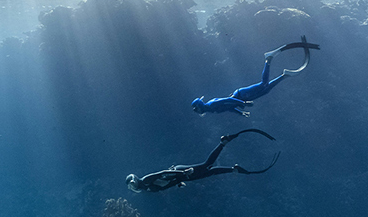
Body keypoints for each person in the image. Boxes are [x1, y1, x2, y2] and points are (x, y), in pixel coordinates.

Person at [192, 36, 320, 116]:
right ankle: (284, 75)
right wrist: (240, 112)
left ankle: (268, 59)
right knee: (266, 90)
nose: (197, 112)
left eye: (196, 110)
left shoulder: (211, 105)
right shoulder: (210, 109)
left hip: (242, 95)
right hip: (242, 98)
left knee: (263, 84)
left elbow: (228, 100)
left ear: (199, 106)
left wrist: (243, 103)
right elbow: (229, 107)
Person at [126, 129, 279, 193]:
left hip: (180, 172)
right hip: (181, 176)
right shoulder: (147, 189)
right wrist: (179, 182)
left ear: (135, 181)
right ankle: (234, 168)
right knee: (209, 171)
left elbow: (163, 173)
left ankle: (223, 144)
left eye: (132, 185)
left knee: (207, 166)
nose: (133, 188)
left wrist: (182, 172)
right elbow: (166, 184)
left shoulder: (146, 180)